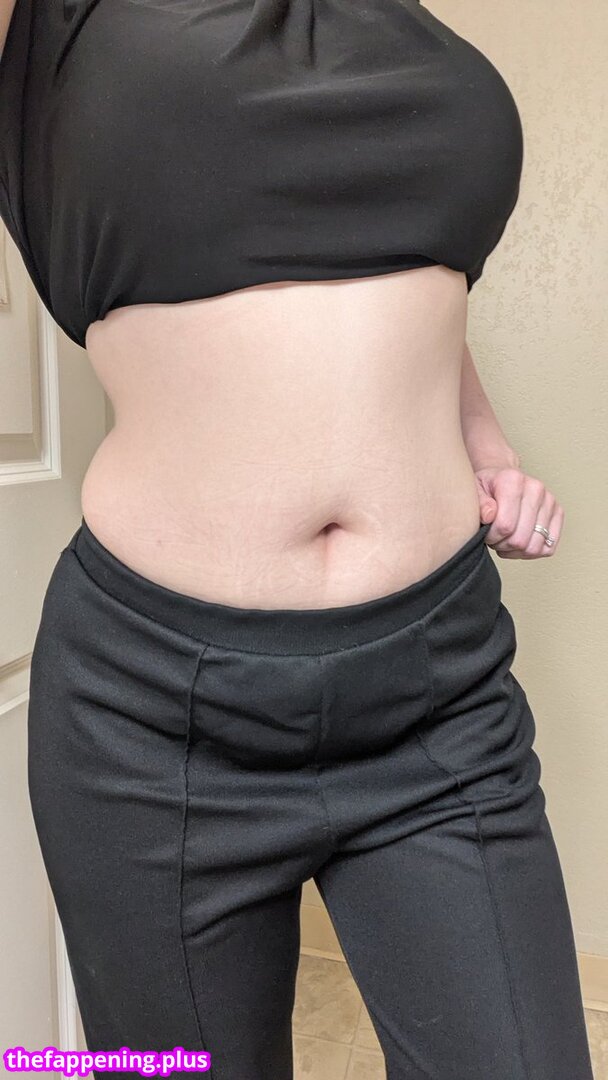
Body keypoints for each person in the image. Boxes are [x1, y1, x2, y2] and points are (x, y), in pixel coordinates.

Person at [0, 1, 595, 1077]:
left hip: (438, 690)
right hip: (149, 720)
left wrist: (485, 443)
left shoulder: (399, 24)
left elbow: (399, 270)